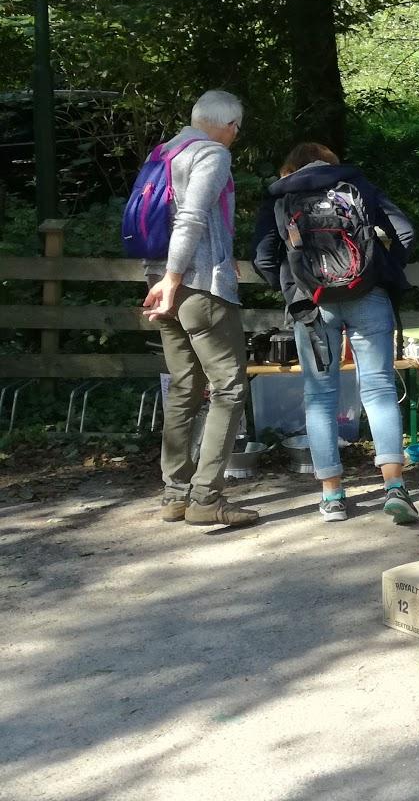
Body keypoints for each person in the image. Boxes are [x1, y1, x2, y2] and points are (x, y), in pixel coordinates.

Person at [254, 142, 417, 523]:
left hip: (310, 305)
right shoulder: (356, 185)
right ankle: (395, 488)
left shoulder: (281, 196)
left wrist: (292, 284)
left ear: (289, 167)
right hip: (368, 296)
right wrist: (381, 271)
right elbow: (405, 232)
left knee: (319, 396)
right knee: (378, 389)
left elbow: (262, 256)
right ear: (331, 164)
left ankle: (332, 497)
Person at [144, 90, 259, 528]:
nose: (235, 137)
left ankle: (174, 495)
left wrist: (161, 281)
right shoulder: (210, 154)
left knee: (183, 387)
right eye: (236, 129)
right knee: (229, 388)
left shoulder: (164, 152)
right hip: (197, 288)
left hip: (160, 283)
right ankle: (206, 498)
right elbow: (190, 218)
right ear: (228, 125)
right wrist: (177, 279)